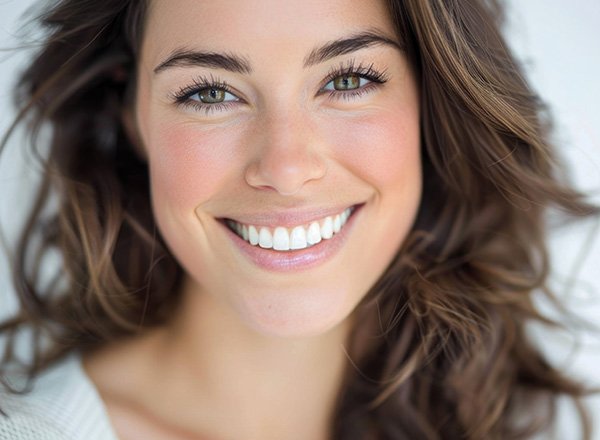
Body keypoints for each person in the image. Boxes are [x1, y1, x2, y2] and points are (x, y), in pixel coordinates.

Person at [0, 0, 597, 438]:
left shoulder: (533, 425)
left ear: (432, 102)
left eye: (348, 80)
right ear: (131, 116)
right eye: (210, 93)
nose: (286, 168)